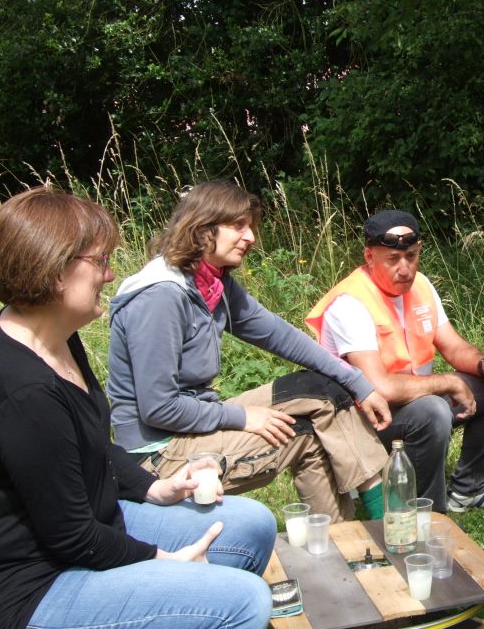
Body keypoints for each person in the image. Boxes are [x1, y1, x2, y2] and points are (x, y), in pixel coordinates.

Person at [0, 187, 275, 629]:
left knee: (253, 525)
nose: (111, 275)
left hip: (94, 525)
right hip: (29, 586)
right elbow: (72, 537)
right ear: (56, 271)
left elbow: (89, 442)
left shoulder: (55, 337)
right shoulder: (23, 392)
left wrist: (155, 488)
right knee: (243, 601)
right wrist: (165, 562)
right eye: (100, 261)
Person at [107, 181, 392, 522]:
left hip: (194, 419)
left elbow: (280, 335)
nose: (251, 237)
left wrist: (359, 383)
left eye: (251, 227)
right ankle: (368, 531)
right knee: (305, 435)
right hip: (158, 454)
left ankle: (371, 526)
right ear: (202, 227)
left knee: (321, 389)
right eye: (238, 226)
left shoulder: (213, 282)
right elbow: (159, 408)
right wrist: (243, 418)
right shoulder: (161, 296)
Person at [305, 209, 484, 514]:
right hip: (364, 420)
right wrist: (448, 383)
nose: (405, 268)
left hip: (411, 400)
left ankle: (469, 490)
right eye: (392, 260)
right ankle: (427, 514)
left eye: (411, 256)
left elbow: (453, 345)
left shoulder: (420, 286)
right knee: (432, 410)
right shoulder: (351, 303)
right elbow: (379, 387)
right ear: (370, 257)